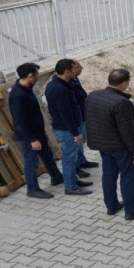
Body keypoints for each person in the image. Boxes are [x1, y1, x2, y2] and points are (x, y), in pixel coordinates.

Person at [86, 69, 134, 220]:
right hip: (120, 148)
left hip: (103, 145)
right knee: (128, 177)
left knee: (109, 175)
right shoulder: (122, 103)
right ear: (124, 84)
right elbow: (127, 131)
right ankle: (131, 210)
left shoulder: (93, 95)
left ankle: (111, 206)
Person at [9, 63, 63, 199]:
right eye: (37, 74)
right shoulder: (18, 95)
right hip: (28, 137)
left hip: (38, 133)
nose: (38, 77)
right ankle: (32, 189)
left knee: (48, 156)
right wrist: (32, 139)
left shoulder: (27, 88)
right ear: (30, 76)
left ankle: (57, 177)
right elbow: (19, 121)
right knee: (31, 162)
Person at [45, 59, 92, 196]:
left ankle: (74, 181)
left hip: (67, 128)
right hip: (67, 130)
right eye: (74, 69)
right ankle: (70, 187)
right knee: (69, 159)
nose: (76, 71)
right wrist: (75, 133)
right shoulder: (60, 89)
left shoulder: (57, 84)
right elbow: (66, 114)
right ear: (67, 72)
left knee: (71, 158)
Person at [69, 61, 99, 173]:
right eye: (80, 68)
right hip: (76, 117)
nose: (81, 69)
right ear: (75, 69)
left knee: (80, 142)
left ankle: (81, 161)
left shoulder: (75, 79)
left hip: (81, 114)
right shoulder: (68, 83)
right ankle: (76, 167)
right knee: (76, 144)